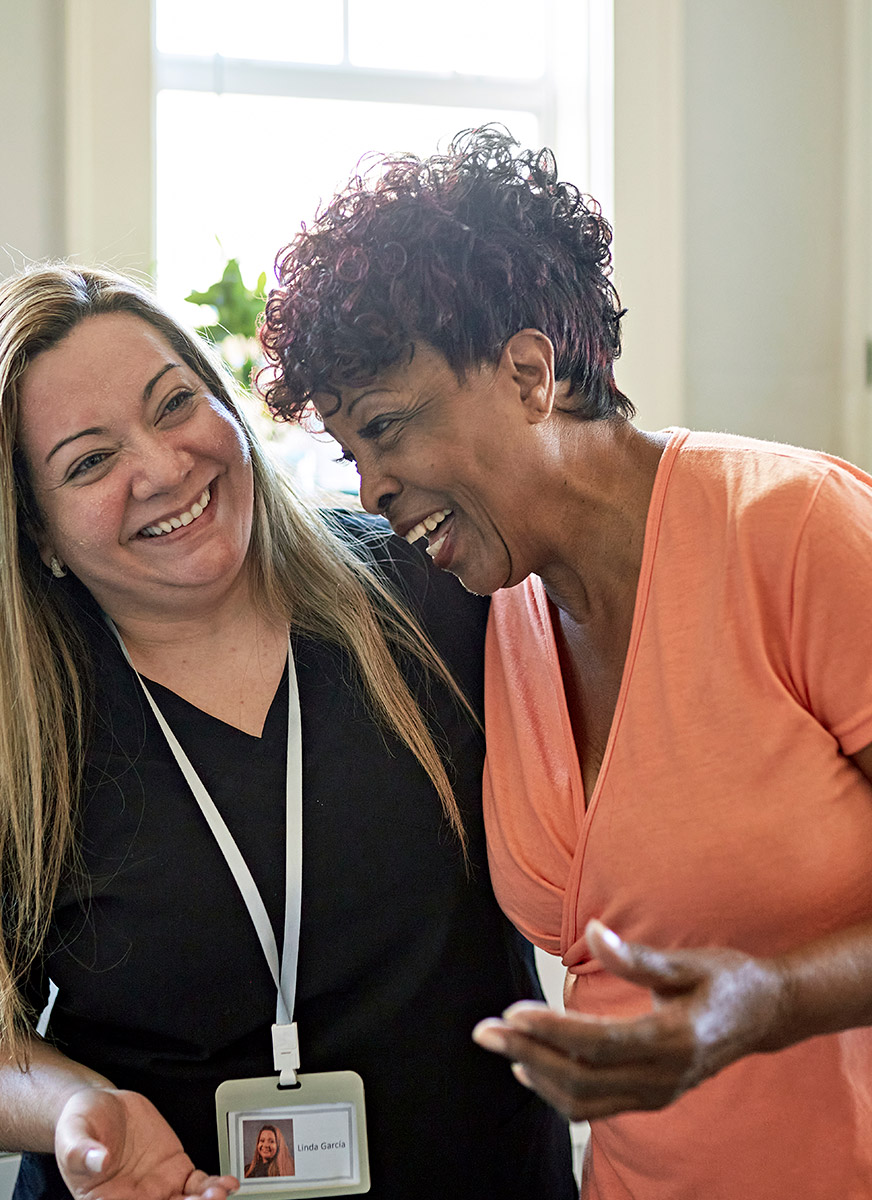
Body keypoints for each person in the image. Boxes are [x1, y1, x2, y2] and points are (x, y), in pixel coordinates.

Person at [258, 126, 872, 1199]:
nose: (371, 490)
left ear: (530, 372)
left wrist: (769, 1000)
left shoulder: (795, 529)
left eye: (388, 428)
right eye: (349, 453)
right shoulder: (492, 609)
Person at [0, 263, 577, 1200]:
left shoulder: (429, 590)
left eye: (175, 404)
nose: (165, 468)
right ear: (33, 531)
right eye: (89, 461)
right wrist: (73, 1109)